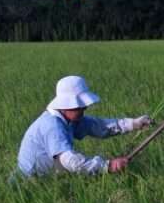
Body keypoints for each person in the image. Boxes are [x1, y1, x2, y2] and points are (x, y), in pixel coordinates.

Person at [15, 75, 151, 179]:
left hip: (48, 179)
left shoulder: (68, 119)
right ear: (67, 105)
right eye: (81, 106)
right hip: (27, 183)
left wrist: (133, 124)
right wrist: (107, 166)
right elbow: (70, 161)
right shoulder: (52, 126)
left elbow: (99, 126)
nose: (84, 108)